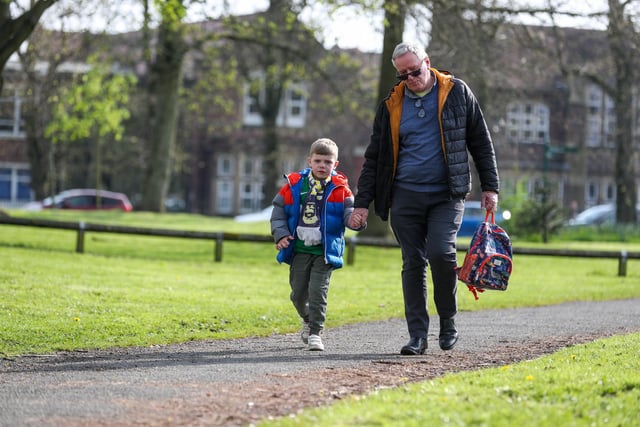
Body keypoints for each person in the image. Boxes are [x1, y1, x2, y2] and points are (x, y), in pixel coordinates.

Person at [348, 42, 499, 355]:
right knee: (413, 262)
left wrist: (490, 187)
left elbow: (481, 142)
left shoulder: (457, 92)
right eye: (403, 75)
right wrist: (362, 204)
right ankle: (417, 336)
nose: (410, 78)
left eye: (414, 71)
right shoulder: (391, 104)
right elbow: (374, 158)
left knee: (441, 254)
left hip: (447, 193)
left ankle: (448, 320)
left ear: (427, 63)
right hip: (404, 196)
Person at [271, 138, 364, 351]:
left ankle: (315, 333)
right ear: (309, 161)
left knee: (317, 292)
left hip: (324, 251)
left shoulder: (341, 190)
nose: (322, 165)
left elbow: (348, 215)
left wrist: (355, 221)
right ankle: (306, 319)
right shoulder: (294, 185)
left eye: (327, 162)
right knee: (298, 294)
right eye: (318, 161)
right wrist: (281, 235)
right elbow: (278, 213)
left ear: (335, 164)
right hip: (299, 249)